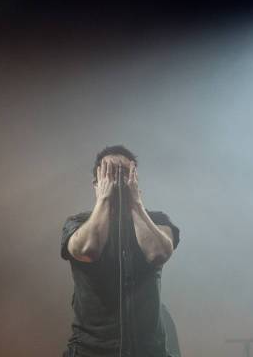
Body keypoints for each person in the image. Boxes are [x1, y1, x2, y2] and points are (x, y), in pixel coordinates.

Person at [61, 145, 180, 357]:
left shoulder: (158, 221)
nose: (117, 180)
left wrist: (134, 203)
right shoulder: (77, 223)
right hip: (90, 351)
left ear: (135, 180)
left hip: (148, 351)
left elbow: (158, 253)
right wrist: (105, 198)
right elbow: (88, 249)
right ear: (96, 182)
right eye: (109, 172)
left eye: (124, 173)